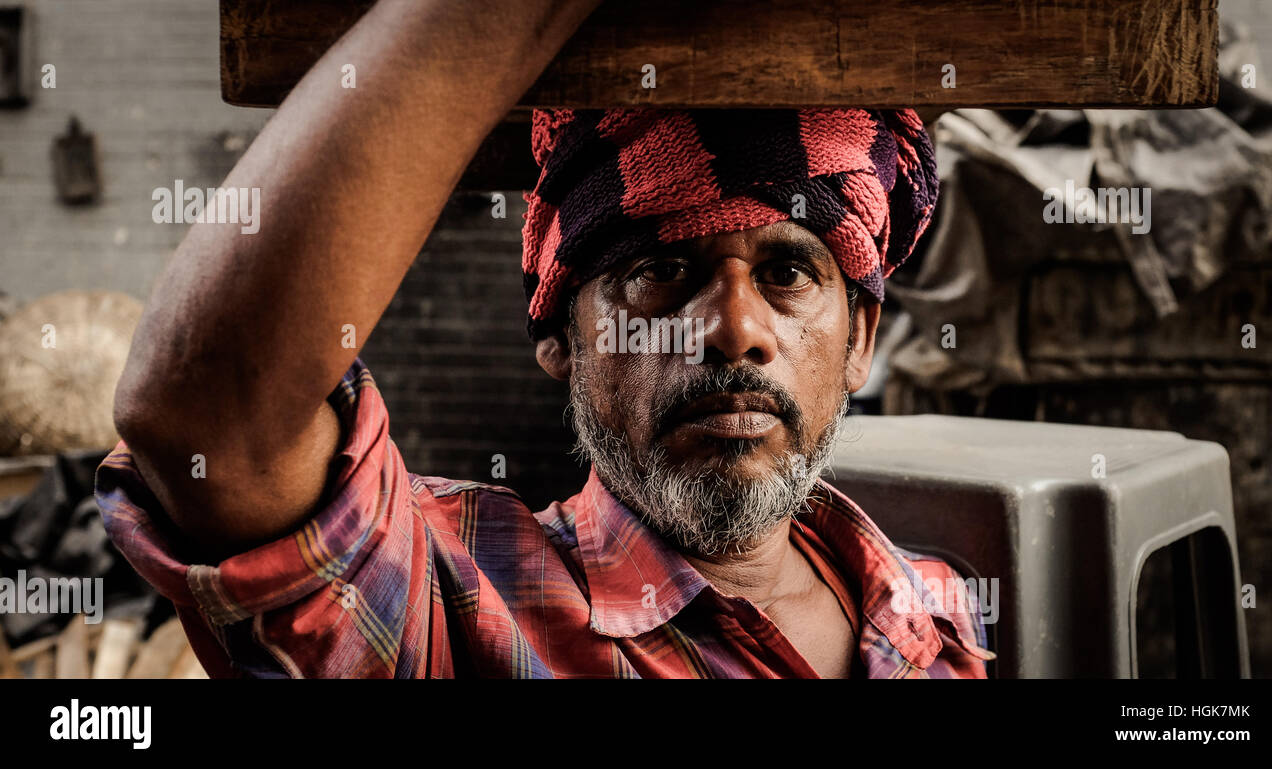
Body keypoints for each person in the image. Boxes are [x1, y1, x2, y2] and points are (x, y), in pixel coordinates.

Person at [95, 0, 994, 678]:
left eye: (789, 273)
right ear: (564, 335)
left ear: (860, 337)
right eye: (659, 272)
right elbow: (205, 412)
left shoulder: (937, 610)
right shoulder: (457, 604)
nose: (733, 329)